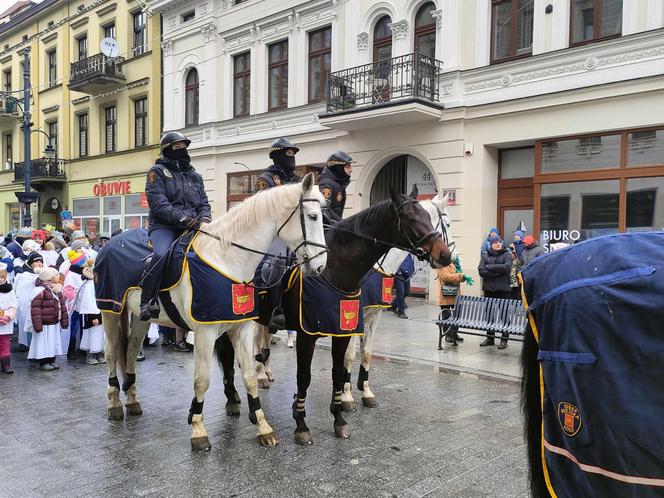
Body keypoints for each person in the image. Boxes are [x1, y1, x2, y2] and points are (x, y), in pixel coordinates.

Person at [140, 131, 211, 321]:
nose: (182, 150)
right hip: (164, 226)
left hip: (194, 226)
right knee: (160, 254)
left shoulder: (195, 176)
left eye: (184, 147)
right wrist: (182, 219)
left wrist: (205, 220)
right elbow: (158, 203)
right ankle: (147, 301)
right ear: (167, 150)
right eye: (177, 147)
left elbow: (204, 203)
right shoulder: (157, 173)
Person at [27, 267, 68, 371]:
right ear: (49, 278)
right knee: (43, 342)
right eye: (56, 275)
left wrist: (63, 321)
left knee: (52, 342)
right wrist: (37, 325)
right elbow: (35, 309)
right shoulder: (40, 291)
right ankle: (43, 362)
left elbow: (62, 306)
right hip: (44, 323)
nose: (58, 276)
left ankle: (51, 360)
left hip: (54, 322)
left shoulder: (56, 290)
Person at [477, 236, 512, 349]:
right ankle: (490, 338)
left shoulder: (507, 254)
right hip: (489, 290)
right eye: (495, 242)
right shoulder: (485, 254)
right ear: (491, 244)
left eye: (499, 242)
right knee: (489, 315)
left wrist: (490, 267)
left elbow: (506, 267)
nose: (498, 244)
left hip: (503, 290)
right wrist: (496, 273)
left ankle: (504, 340)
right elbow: (481, 270)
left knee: (504, 315)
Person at [437, 256, 473, 345]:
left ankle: (454, 333)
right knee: (447, 316)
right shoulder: (440, 264)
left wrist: (460, 271)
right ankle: (448, 335)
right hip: (446, 294)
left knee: (457, 316)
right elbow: (446, 277)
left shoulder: (453, 264)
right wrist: (461, 276)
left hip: (455, 294)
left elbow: (458, 276)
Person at [75, 261, 105, 365]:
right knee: (92, 334)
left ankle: (100, 353)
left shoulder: (100, 283)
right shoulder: (89, 285)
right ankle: (91, 355)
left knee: (101, 334)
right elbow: (88, 302)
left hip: (102, 313)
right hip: (93, 314)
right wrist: (93, 316)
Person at [15, 252, 43, 351]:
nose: (39, 264)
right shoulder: (24, 275)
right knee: (27, 326)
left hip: (39, 306)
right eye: (36, 262)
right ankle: (28, 346)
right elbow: (20, 291)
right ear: (31, 263)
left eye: (41, 262)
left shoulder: (42, 274)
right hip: (26, 305)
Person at [318, 151, 353, 222]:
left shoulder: (338, 184)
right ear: (338, 168)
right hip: (328, 229)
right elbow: (324, 209)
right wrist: (342, 223)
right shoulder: (327, 184)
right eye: (347, 167)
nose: (351, 170)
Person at [0, 265, 17, 374]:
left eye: (2, 276)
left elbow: (14, 305)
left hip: (5, 320)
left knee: (5, 342)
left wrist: (8, 316)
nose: (0, 278)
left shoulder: (9, 290)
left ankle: (6, 364)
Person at [392, 254, 414, 319]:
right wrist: (398, 271)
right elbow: (395, 261)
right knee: (401, 293)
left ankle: (394, 305)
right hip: (400, 275)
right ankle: (401, 312)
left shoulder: (410, 253)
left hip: (407, 275)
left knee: (406, 292)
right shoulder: (400, 252)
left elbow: (411, 262)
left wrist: (412, 270)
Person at [509, 230, 525, 300]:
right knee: (514, 284)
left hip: (522, 266)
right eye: (515, 235)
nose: (516, 237)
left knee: (521, 283)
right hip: (514, 267)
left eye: (518, 235)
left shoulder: (524, 245)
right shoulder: (511, 245)